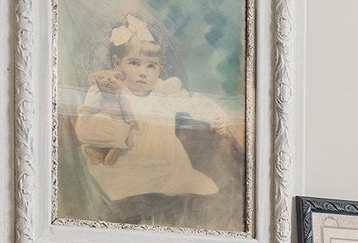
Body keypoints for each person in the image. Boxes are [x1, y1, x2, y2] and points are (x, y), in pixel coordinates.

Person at [71, 11, 239, 208]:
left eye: (151, 66)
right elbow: (86, 127)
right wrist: (119, 133)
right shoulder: (109, 90)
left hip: (168, 169)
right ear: (117, 64)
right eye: (134, 63)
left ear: (159, 69)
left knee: (207, 187)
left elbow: (192, 102)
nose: (143, 72)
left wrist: (215, 114)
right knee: (122, 193)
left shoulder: (164, 92)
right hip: (126, 170)